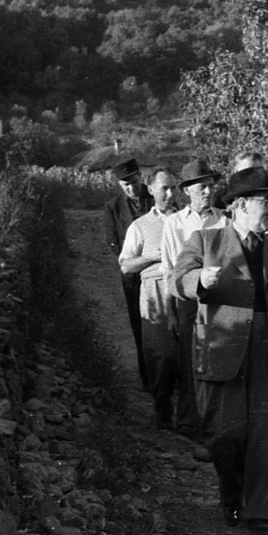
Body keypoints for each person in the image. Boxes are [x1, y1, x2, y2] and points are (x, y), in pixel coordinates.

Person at [175, 166, 268, 535]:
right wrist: (200, 280)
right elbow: (177, 280)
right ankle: (232, 497)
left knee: (267, 433)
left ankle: (260, 510)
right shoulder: (205, 241)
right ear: (239, 205)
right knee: (224, 435)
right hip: (224, 347)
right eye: (266, 202)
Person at [162, 159, 226, 441]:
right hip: (187, 299)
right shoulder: (174, 224)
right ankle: (188, 421)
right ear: (187, 190)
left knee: (216, 356)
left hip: (220, 297)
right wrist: (171, 312)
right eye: (201, 187)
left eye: (211, 186)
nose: (208, 192)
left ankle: (215, 421)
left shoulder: (224, 220)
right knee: (189, 358)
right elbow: (168, 270)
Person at [119, 168, 183, 426]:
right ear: (151, 189)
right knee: (161, 354)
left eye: (174, 188)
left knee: (189, 354)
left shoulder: (186, 220)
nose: (169, 194)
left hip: (185, 290)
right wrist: (152, 257)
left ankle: (192, 418)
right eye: (164, 188)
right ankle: (163, 409)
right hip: (154, 290)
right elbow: (125, 265)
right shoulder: (140, 225)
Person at [102, 157, 153, 386]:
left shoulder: (155, 201)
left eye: (133, 181)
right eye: (125, 184)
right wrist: (136, 262)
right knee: (139, 322)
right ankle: (147, 375)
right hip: (133, 275)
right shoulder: (113, 207)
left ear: (140, 177)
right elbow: (113, 242)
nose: (131, 187)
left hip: (160, 271)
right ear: (119, 185)